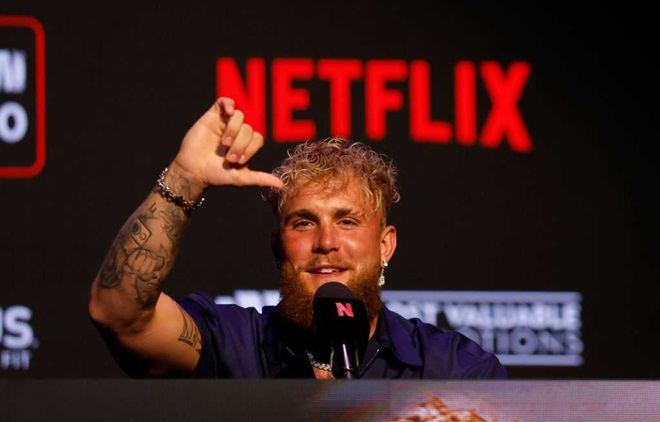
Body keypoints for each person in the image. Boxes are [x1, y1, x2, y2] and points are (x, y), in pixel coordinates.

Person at [88, 97, 506, 379]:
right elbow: (119, 315)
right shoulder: (233, 344)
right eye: (303, 223)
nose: (326, 241)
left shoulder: (453, 370)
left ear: (385, 246)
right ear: (277, 247)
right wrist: (185, 177)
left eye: (347, 221)